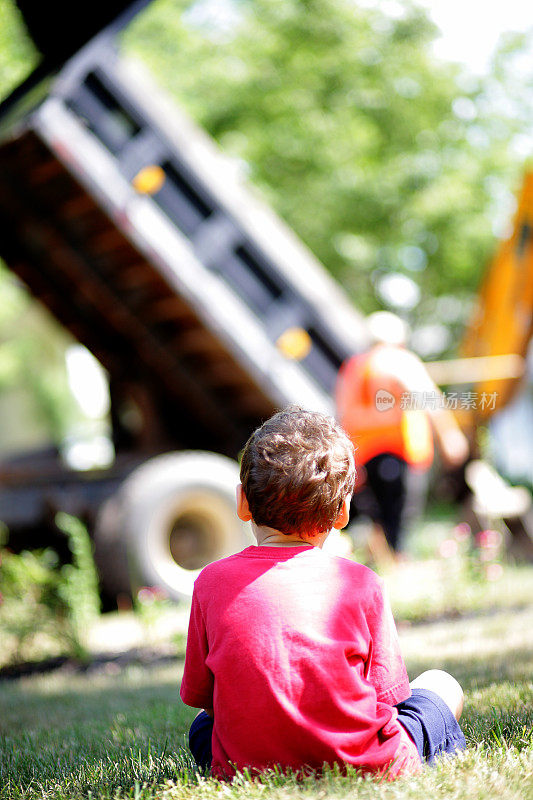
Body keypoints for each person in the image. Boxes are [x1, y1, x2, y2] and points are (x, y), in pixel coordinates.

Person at [180, 407, 466, 779]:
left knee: (202, 727)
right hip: (363, 763)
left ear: (242, 502)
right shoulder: (362, 583)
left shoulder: (209, 582)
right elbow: (389, 700)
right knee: (442, 685)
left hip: (246, 765)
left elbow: (203, 699)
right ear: (342, 512)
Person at [336, 312, 469, 558]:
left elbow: (344, 415)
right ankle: (396, 571)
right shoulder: (398, 360)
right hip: (398, 455)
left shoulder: (354, 367)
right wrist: (450, 436)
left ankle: (382, 569)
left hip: (364, 457)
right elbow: (428, 399)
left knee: (376, 522)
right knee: (398, 527)